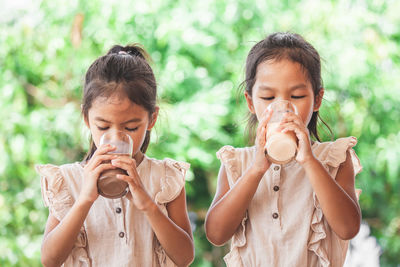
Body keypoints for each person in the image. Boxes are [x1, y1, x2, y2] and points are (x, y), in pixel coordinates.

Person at [205, 32, 362, 266]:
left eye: (297, 96)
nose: (283, 108)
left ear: (317, 99)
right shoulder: (237, 162)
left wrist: (309, 161)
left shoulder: (335, 158)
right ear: (250, 102)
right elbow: (216, 234)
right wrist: (257, 170)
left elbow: (348, 228)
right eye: (268, 97)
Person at [36, 44, 194, 267]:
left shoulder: (166, 178)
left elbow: (185, 257)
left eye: (130, 128)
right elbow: (49, 260)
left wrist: (148, 204)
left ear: (152, 119)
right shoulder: (68, 180)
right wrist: (85, 200)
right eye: (102, 126)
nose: (115, 137)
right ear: (86, 118)